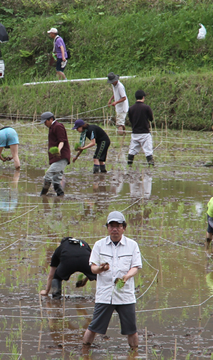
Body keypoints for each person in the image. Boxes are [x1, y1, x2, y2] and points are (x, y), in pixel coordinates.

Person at [82, 211, 142, 349]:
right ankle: (84, 351)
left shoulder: (132, 245)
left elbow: (136, 267)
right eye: (111, 226)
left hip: (125, 295)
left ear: (124, 228)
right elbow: (93, 268)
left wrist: (126, 276)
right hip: (105, 294)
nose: (115, 229)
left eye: (118, 226)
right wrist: (101, 269)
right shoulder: (99, 245)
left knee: (132, 330)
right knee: (93, 327)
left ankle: (134, 353)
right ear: (107, 228)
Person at [40, 112, 70, 196]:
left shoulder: (58, 126)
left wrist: (58, 150)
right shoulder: (52, 127)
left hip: (61, 156)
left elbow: (62, 141)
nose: (44, 124)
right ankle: (60, 195)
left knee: (48, 174)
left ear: (51, 119)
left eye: (45, 122)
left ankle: (43, 194)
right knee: (56, 178)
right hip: (56, 156)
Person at [127, 90, 155, 167]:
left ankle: (129, 166)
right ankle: (151, 167)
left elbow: (130, 120)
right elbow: (151, 119)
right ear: (143, 97)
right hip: (145, 133)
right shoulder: (146, 108)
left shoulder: (131, 108)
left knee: (132, 151)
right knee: (148, 151)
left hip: (135, 133)